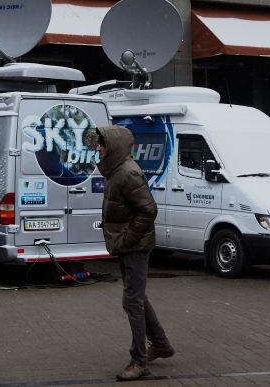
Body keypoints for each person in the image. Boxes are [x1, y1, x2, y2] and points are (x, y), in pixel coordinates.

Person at [95, 126, 172, 381]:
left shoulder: (128, 174)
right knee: (137, 298)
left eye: (102, 144)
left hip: (135, 247)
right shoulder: (117, 171)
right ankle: (160, 345)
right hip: (127, 246)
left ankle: (139, 362)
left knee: (132, 302)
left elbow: (148, 211)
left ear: (114, 147)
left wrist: (127, 239)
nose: (97, 148)